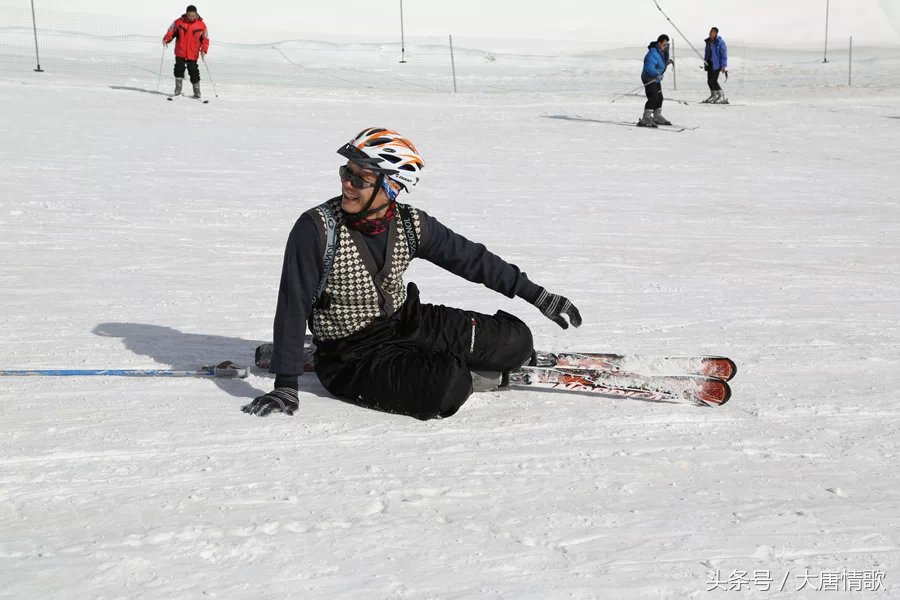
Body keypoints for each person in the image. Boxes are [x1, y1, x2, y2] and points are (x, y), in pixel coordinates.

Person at [242, 128, 582, 420]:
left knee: (516, 341)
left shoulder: (409, 223)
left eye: (360, 178)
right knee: (449, 385)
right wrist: (286, 385)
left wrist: (537, 295)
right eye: (346, 172)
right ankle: (448, 369)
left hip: (409, 321)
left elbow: (471, 259)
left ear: (392, 187)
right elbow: (293, 305)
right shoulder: (316, 229)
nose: (348, 183)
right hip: (352, 355)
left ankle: (441, 360)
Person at [162, 5, 209, 99]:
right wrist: (166, 39)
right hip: (180, 51)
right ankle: (178, 89)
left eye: (193, 15)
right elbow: (171, 31)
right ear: (186, 14)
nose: (191, 17)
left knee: (194, 71)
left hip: (193, 53)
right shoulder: (178, 22)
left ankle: (197, 90)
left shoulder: (201, 25)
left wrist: (204, 50)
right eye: (189, 15)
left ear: (196, 14)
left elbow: (205, 39)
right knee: (178, 69)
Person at [638, 34, 674, 128]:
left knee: (659, 98)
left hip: (656, 79)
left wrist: (667, 62)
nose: (665, 46)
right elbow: (649, 67)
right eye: (664, 44)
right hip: (649, 77)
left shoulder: (662, 51)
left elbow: (660, 62)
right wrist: (657, 74)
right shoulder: (652, 53)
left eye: (666, 44)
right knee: (653, 97)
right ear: (659, 43)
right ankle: (646, 118)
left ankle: (657, 116)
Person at [703, 27, 729, 104]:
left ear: (716, 33)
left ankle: (721, 96)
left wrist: (723, 65)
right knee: (709, 81)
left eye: (712, 32)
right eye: (710, 31)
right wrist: (705, 62)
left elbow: (723, 54)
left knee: (713, 81)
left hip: (716, 65)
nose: (710, 33)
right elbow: (707, 53)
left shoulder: (720, 42)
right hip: (709, 63)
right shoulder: (708, 41)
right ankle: (713, 95)